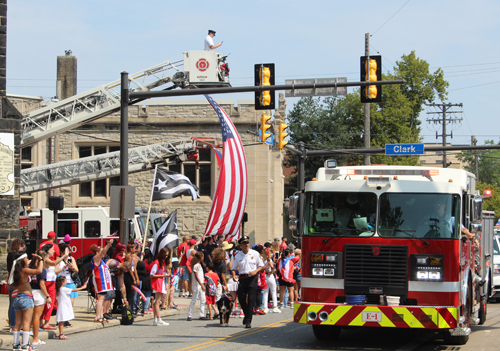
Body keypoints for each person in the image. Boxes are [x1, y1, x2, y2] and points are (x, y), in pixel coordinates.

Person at [10, 251, 43, 351]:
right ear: (22, 260)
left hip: (17, 298)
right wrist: (41, 260)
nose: (27, 260)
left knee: (18, 323)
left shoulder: (16, 271)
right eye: (26, 258)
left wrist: (29, 262)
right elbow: (39, 271)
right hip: (26, 297)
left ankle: (16, 345)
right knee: (27, 323)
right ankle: (25, 345)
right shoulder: (24, 270)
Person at [231, 236, 265, 328]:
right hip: (242, 278)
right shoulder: (238, 255)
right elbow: (233, 268)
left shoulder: (255, 253)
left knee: (251, 299)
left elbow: (261, 266)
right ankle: (247, 315)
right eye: (245, 243)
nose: (247, 245)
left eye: (247, 243)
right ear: (241, 245)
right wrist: (234, 274)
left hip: (252, 278)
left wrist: (256, 271)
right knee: (241, 299)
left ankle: (248, 320)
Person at [41, 244, 68, 330]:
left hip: (52, 282)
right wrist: (64, 255)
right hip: (49, 284)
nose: (54, 251)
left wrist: (63, 268)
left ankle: (44, 321)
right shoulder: (46, 259)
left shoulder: (47, 259)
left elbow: (54, 272)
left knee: (50, 303)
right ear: (48, 251)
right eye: (52, 249)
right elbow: (54, 263)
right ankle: (46, 322)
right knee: (50, 303)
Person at [55, 276, 87, 340]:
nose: (66, 282)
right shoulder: (63, 289)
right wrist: (82, 287)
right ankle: (61, 334)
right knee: (62, 320)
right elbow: (74, 290)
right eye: (65, 281)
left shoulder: (59, 289)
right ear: (62, 282)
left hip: (61, 305)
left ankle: (61, 333)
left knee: (62, 320)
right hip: (63, 306)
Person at [90, 240, 114, 323]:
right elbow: (102, 252)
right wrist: (108, 245)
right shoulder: (95, 258)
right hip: (99, 280)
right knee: (100, 298)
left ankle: (101, 315)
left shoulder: (102, 261)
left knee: (103, 298)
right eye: (101, 252)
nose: (103, 254)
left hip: (104, 281)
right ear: (97, 252)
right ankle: (97, 317)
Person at [30, 249, 50, 345]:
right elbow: (42, 284)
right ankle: (35, 338)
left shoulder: (30, 267)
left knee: (29, 316)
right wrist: (47, 296)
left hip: (30, 291)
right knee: (36, 317)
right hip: (38, 293)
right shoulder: (42, 270)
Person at [7, 238, 26, 332]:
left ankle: (12, 324)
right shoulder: (17, 256)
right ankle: (14, 326)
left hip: (10, 281)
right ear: (19, 246)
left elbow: (8, 270)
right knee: (14, 305)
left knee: (11, 304)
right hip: (15, 282)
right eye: (23, 247)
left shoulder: (10, 255)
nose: (23, 249)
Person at [150, 248, 170, 326]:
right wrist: (163, 275)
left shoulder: (163, 263)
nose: (166, 256)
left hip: (161, 282)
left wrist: (167, 270)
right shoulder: (156, 262)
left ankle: (156, 320)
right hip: (157, 283)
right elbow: (152, 274)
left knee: (157, 301)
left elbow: (165, 271)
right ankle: (159, 319)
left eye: (167, 255)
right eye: (165, 255)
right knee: (157, 301)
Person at [187, 252, 207, 321]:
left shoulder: (200, 265)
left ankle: (201, 314)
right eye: (203, 256)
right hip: (197, 285)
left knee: (203, 300)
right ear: (200, 257)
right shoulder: (196, 266)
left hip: (201, 284)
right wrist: (201, 285)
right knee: (194, 300)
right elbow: (196, 276)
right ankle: (189, 315)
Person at [262, 246, 281, 314]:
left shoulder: (262, 260)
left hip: (266, 275)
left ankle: (265, 307)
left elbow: (263, 268)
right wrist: (270, 267)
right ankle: (275, 307)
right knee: (273, 291)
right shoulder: (267, 260)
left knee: (266, 292)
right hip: (269, 276)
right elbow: (272, 267)